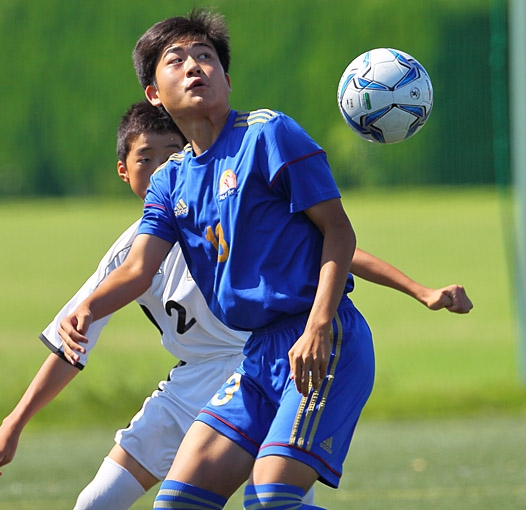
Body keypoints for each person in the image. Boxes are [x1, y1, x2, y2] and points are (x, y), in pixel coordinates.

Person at [58, 9, 472, 509]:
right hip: (258, 356)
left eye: (205, 56)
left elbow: (338, 232)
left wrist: (318, 326)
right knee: (176, 505)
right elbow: (138, 269)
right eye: (177, 60)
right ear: (153, 93)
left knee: (272, 497)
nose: (194, 66)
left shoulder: (267, 134)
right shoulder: (170, 181)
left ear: (227, 80)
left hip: (325, 337)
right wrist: (89, 307)